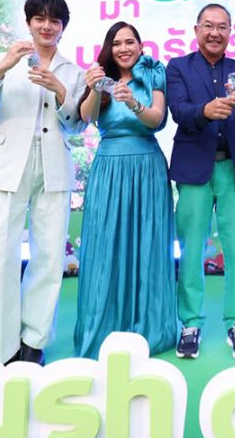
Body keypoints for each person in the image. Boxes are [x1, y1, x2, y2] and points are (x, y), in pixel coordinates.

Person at [0, 0, 86, 365]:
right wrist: (1, 67)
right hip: (4, 165)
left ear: (63, 27)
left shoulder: (73, 71)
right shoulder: (5, 60)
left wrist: (59, 90)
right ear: (28, 22)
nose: (46, 26)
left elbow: (77, 125)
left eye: (54, 20)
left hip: (53, 166)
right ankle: (2, 348)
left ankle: (34, 341)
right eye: (39, 19)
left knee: (49, 256)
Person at [75, 22, 177, 358]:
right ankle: (105, 327)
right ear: (110, 48)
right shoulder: (100, 77)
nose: (123, 49)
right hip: (109, 166)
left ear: (140, 45)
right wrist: (94, 89)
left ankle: (148, 327)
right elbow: (87, 117)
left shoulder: (153, 73)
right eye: (117, 43)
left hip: (147, 166)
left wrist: (133, 102)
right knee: (106, 244)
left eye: (130, 42)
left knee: (148, 244)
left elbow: (157, 119)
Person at [167, 3, 235, 361]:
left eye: (222, 27)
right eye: (209, 25)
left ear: (230, 32)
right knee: (192, 250)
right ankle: (190, 324)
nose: (215, 33)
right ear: (196, 30)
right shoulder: (178, 67)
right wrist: (204, 112)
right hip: (194, 169)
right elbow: (178, 111)